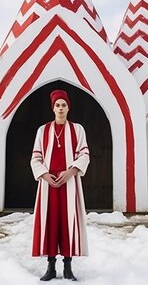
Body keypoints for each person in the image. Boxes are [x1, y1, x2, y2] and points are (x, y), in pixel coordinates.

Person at [30, 89, 90, 281]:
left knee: (68, 222)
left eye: (64, 104)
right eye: (57, 105)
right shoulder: (43, 130)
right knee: (50, 222)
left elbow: (84, 154)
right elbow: (36, 157)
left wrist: (71, 171)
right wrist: (45, 175)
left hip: (69, 183)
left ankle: (68, 267)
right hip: (48, 185)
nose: (61, 108)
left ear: (68, 107)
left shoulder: (77, 129)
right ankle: (50, 267)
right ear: (53, 108)